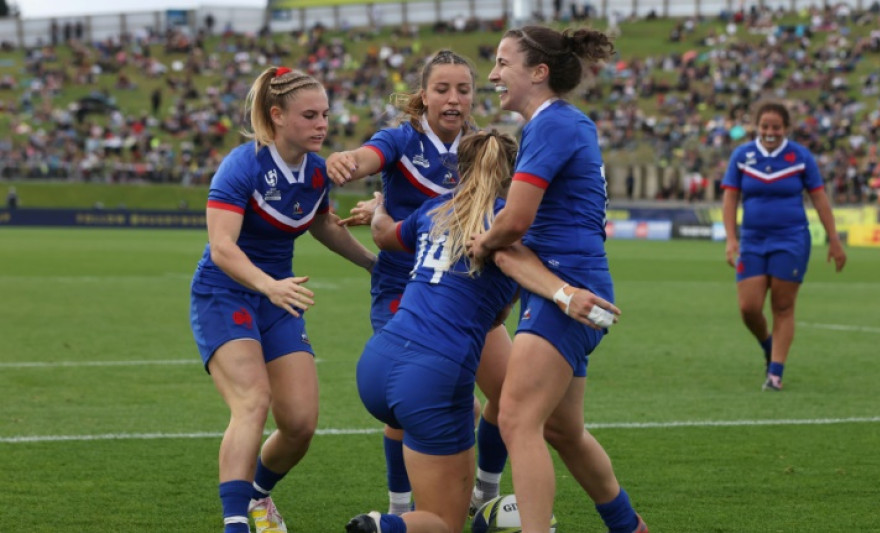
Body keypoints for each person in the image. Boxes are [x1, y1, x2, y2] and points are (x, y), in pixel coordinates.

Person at [346, 129, 620, 533]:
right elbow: (515, 266)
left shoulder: (433, 209)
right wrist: (566, 295)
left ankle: (413, 510)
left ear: (459, 172)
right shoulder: (509, 228)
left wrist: (381, 207)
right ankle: (379, 527)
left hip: (377, 360)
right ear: (516, 177)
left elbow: (385, 236)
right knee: (442, 522)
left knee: (489, 409)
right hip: (432, 374)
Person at [466, 26, 648, 533]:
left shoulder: (552, 124)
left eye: (503, 63)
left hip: (567, 293)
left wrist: (484, 243)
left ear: (538, 72)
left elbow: (517, 221)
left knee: (517, 419)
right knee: (563, 430)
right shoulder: (557, 124)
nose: (494, 74)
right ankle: (627, 525)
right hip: (562, 288)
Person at [189, 66, 376, 533]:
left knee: (300, 424)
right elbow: (222, 247)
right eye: (310, 115)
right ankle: (235, 523)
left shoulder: (315, 171)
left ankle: (257, 497)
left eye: (325, 115)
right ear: (277, 116)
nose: (322, 125)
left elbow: (321, 222)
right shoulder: (242, 164)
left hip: (277, 297)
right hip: (225, 291)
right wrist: (269, 284)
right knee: (253, 402)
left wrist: (376, 264)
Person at [325, 50, 510, 516]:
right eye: (442, 89)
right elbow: (370, 157)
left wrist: (382, 210)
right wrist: (349, 160)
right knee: (410, 406)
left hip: (466, 290)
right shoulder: (401, 139)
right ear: (423, 95)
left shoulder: (480, 147)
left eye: (463, 90)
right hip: (403, 288)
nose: (453, 99)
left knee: (510, 394)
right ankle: (398, 506)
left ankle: (485, 495)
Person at [721, 100, 847, 391]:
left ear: (786, 128)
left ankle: (775, 373)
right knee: (749, 308)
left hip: (791, 239)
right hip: (752, 239)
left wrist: (834, 239)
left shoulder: (800, 157)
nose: (770, 131)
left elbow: (819, 198)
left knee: (783, 306)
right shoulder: (742, 155)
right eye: (765, 126)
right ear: (756, 126)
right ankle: (768, 344)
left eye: (776, 127)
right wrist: (731, 238)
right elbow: (730, 199)